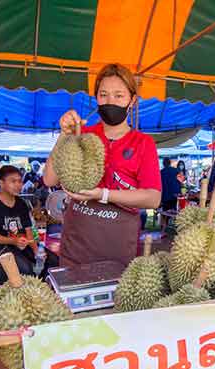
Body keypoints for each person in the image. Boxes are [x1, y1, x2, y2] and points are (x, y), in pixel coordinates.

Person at [43, 63, 161, 268]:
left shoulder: (143, 143)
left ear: (132, 100)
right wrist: (64, 135)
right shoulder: (83, 134)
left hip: (117, 249)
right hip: (76, 247)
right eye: (103, 94)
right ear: (96, 98)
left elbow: (153, 198)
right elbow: (49, 179)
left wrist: (102, 194)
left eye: (119, 95)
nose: (110, 101)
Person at [0, 165, 38, 278]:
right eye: (13, 181)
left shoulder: (21, 203)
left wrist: (36, 250)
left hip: (20, 243)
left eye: (20, 181)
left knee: (51, 260)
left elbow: (28, 230)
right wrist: (13, 241)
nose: (18, 185)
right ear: (1, 183)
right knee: (25, 269)